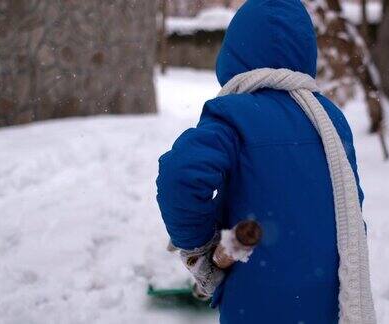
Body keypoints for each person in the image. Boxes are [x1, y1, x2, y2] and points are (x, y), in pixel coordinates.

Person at [156, 0, 375, 323]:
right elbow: (351, 208)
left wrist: (198, 245)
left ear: (235, 52)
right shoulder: (331, 120)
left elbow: (181, 177)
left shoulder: (234, 114)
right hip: (328, 297)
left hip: (256, 302)